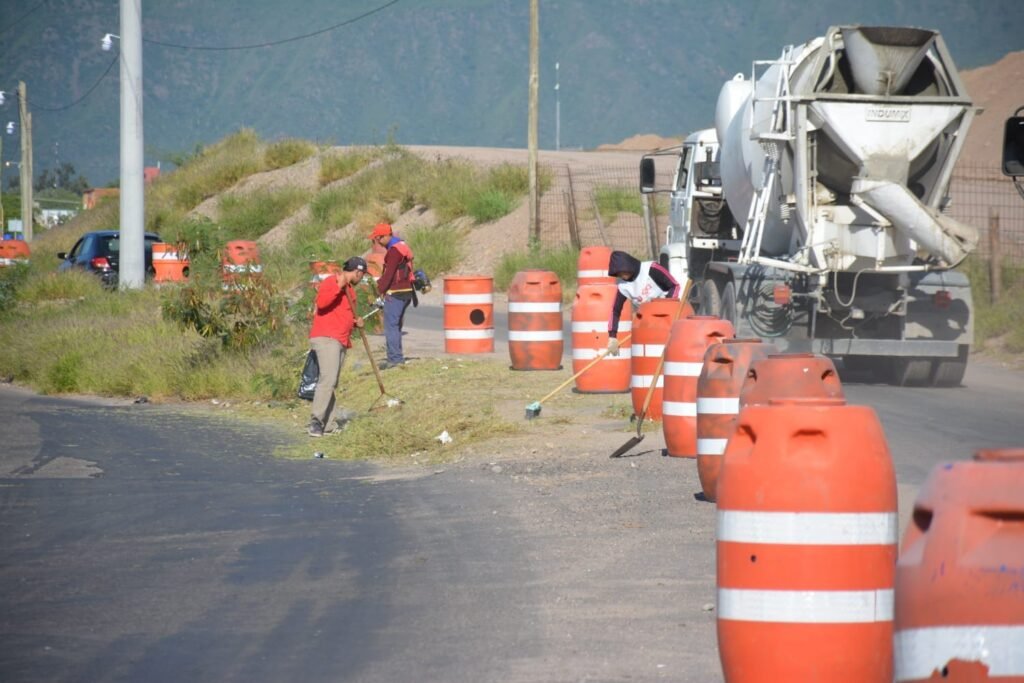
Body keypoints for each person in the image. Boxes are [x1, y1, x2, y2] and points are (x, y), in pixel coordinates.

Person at [307, 256, 367, 437]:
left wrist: (356, 322)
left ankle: (328, 424)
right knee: (328, 380)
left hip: (340, 339)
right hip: (327, 338)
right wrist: (338, 286)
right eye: (362, 275)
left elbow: (343, 313)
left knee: (331, 381)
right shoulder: (332, 282)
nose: (362, 279)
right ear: (357, 271)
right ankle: (315, 422)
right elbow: (322, 303)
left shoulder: (350, 290)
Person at [606, 250, 681, 356]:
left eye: (622, 271)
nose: (622, 275)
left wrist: (667, 307)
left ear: (628, 265)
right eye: (618, 274)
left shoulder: (651, 268)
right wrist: (612, 336)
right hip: (648, 325)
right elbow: (615, 310)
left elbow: (675, 286)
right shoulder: (623, 287)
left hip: (668, 319)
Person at [369, 222, 416, 368]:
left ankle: (395, 359)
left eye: (377, 239)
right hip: (407, 291)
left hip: (396, 292)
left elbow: (389, 275)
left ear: (383, 237)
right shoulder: (402, 246)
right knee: (395, 326)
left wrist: (379, 289)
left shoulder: (394, 251)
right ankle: (396, 357)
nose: (377, 242)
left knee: (391, 327)